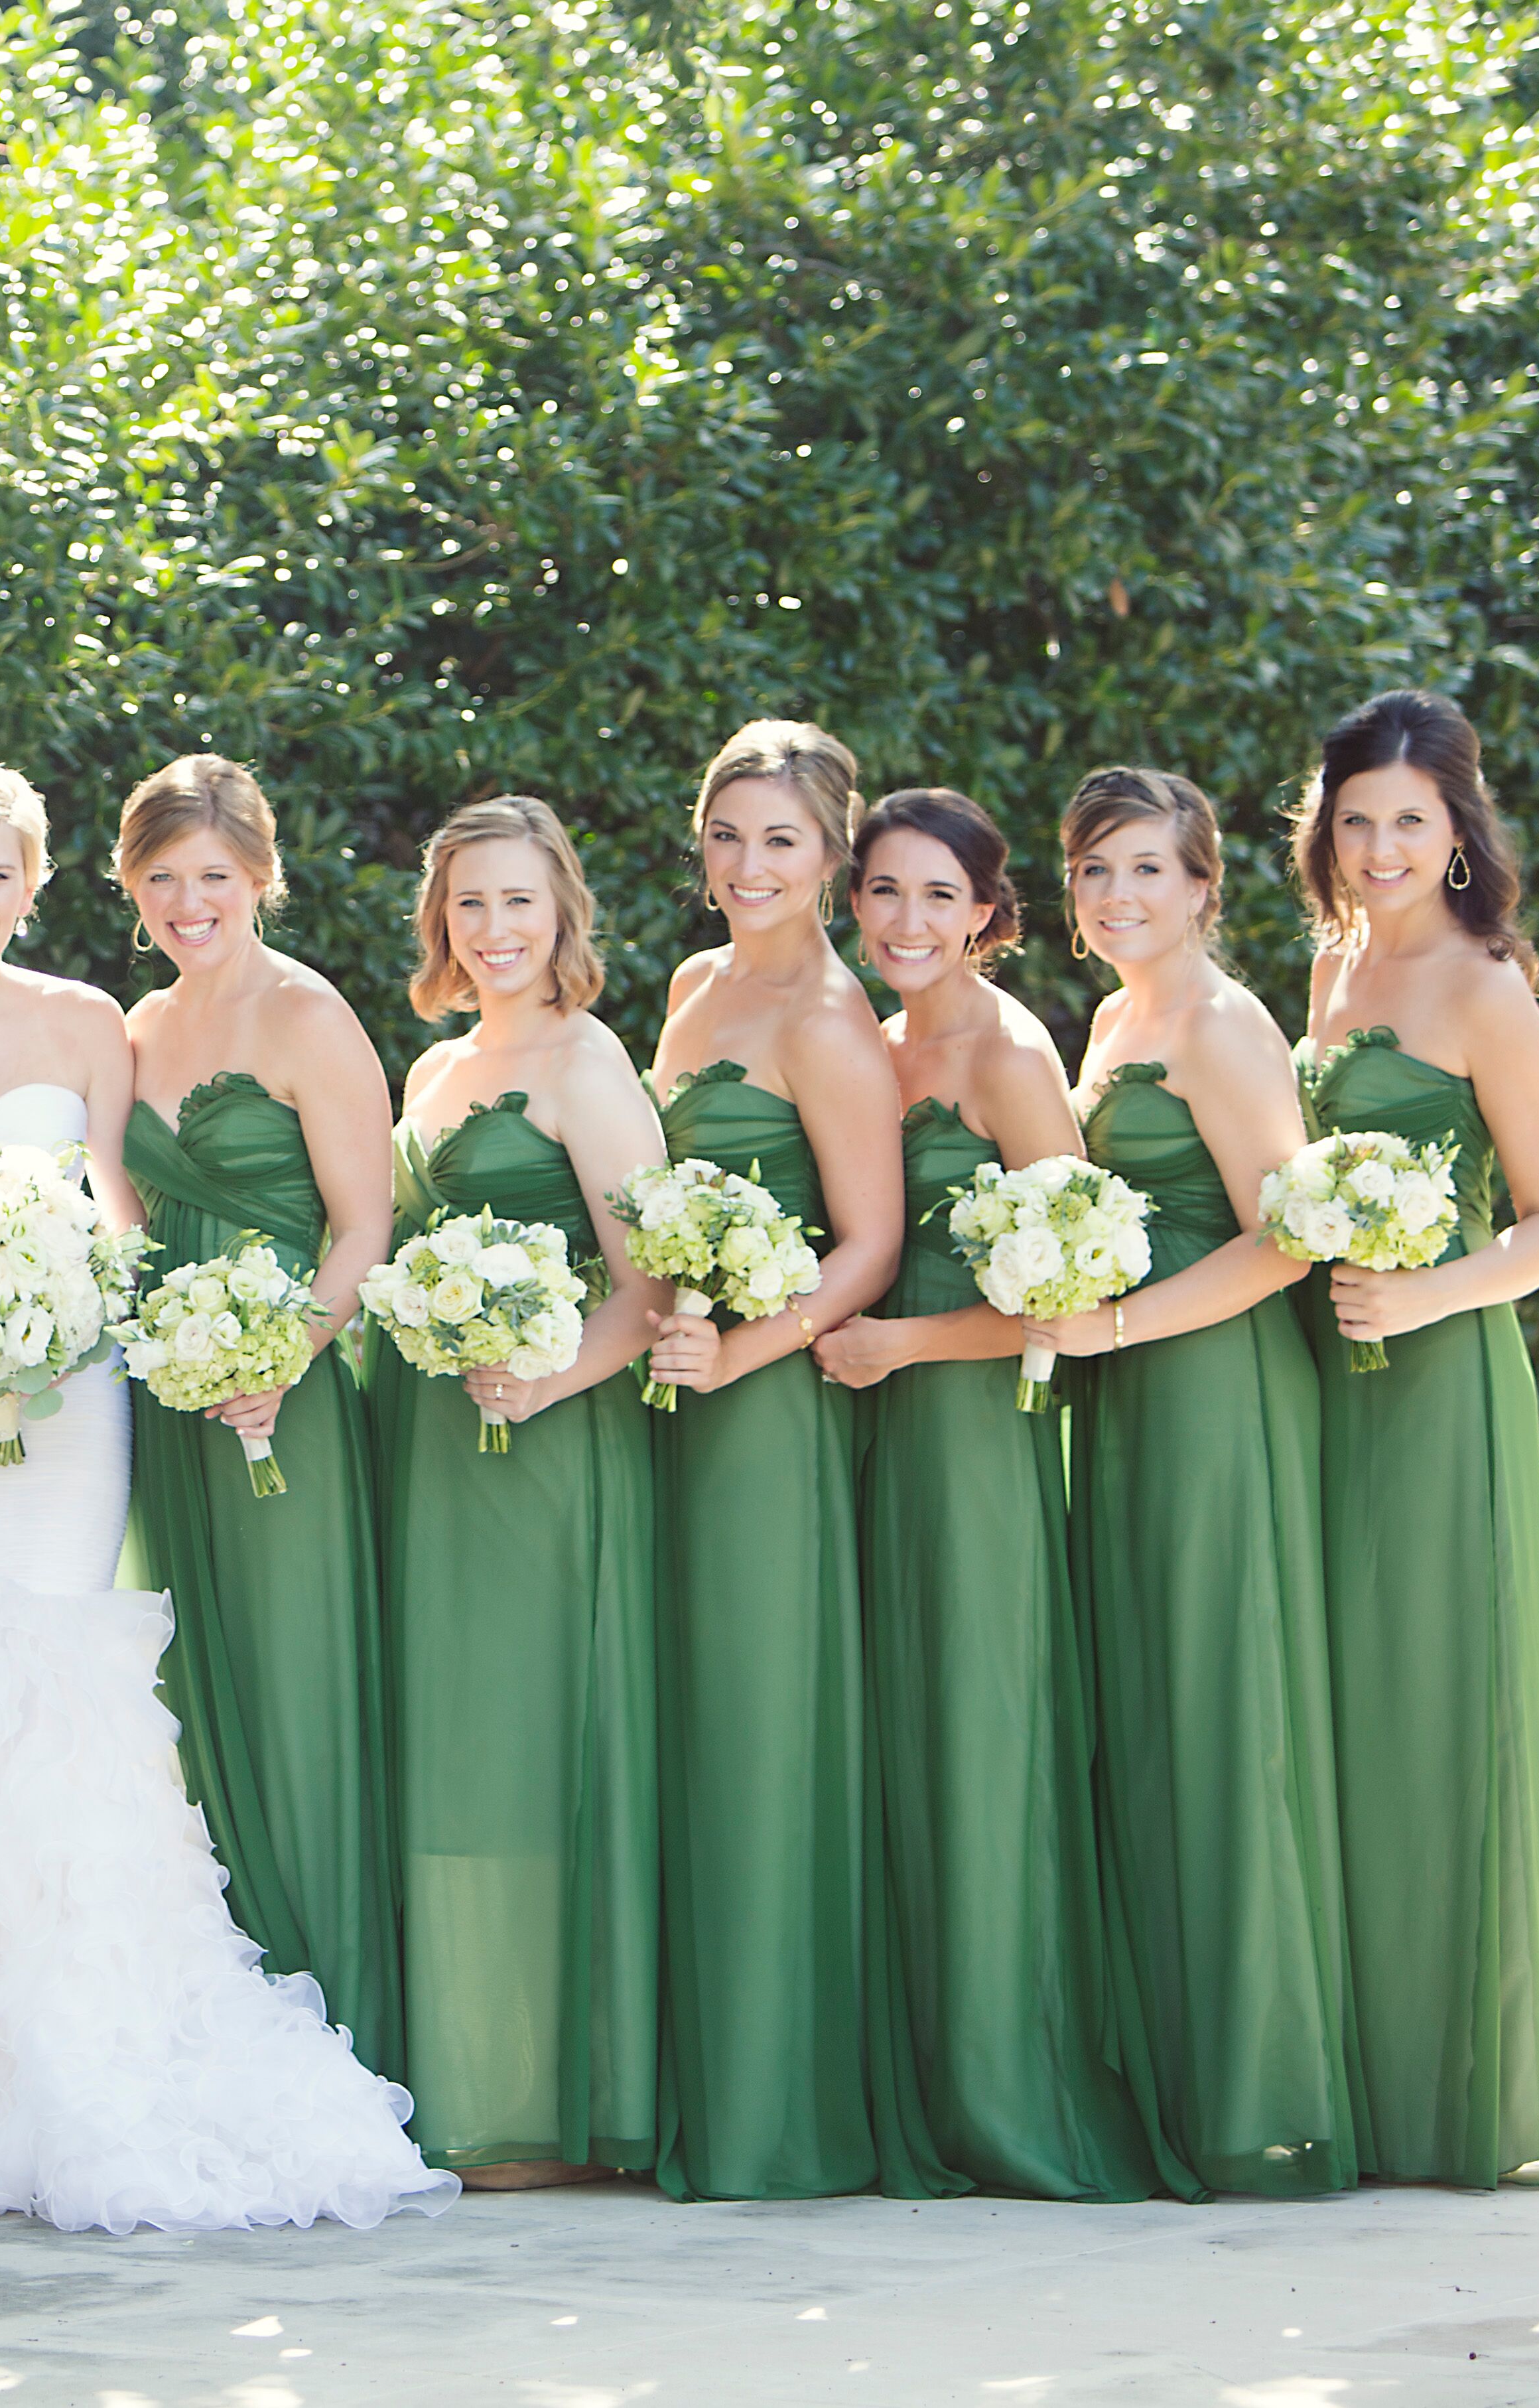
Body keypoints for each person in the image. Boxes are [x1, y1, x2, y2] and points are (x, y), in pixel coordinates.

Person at [0, 759, 453, 2235]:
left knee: (62, 1704)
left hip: (66, 1410)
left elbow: (124, 1225)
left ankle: (86, 2045)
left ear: (39, 884)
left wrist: (50, 1310)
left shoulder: (88, 1027)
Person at [813, 786, 1175, 2202]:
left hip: (966, 1424)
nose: (907, 921)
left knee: (978, 1730)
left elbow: (1086, 1286)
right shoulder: (872, 1038)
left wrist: (907, 1342)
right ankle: (907, 2061)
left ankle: (1002, 2083)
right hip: (858, 1416)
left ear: (986, 913)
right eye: (885, 893)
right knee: (898, 1731)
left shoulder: (1009, 1049)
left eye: (936, 897)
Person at [1029, 764, 1358, 2200]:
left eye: (1146, 870)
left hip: (1213, 1394)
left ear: (1206, 886)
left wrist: (1106, 1324)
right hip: (1126, 1396)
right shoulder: (1108, 1018)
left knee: (1222, 1715)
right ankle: (1171, 2059)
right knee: (1149, 1713)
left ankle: (1254, 2097)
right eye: (1095, 872)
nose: (1116, 898)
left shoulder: (1222, 1027)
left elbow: (1284, 1240)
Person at [643, 720, 954, 2202]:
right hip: (668, 1390)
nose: (748, 866)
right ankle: (687, 2072)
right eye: (726, 837)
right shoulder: (694, 986)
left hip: (763, 1409)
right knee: (684, 1718)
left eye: (779, 840)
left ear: (832, 854)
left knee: (761, 1724)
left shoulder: (830, 1021)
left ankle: (778, 2100)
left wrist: (740, 1356)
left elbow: (871, 1243)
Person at [1292, 690, 1539, 2187]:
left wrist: (1426, 1294)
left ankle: (1448, 2088)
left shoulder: (1484, 989)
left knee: (1426, 1706)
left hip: (1436, 1384)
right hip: (1319, 1378)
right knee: (1337, 1711)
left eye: (1408, 819)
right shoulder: (1332, 963)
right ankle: (1352, 2066)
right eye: (1356, 818)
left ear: (1458, 831)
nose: (1379, 845)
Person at [364, 796, 666, 2188]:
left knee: (535, 1748)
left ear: (563, 914)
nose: (493, 931)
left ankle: (555, 2097)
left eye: (517, 904)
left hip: (546, 1444)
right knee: (459, 1754)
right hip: (438, 1451)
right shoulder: (432, 1073)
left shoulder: (586, 1059)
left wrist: (547, 1382)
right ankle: (472, 2078)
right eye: (468, 906)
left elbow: (649, 1280)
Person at [114, 754, 405, 2076]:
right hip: (166, 1403)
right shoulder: (131, 1029)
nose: (188, 902)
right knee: (198, 1686)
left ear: (260, 879)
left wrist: (285, 1352)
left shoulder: (305, 1014)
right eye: (162, 878)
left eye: (212, 878)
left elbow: (365, 1221)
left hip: (282, 1401)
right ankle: (236, 2023)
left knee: (293, 1686)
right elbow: (126, 1216)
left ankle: (341, 2023)